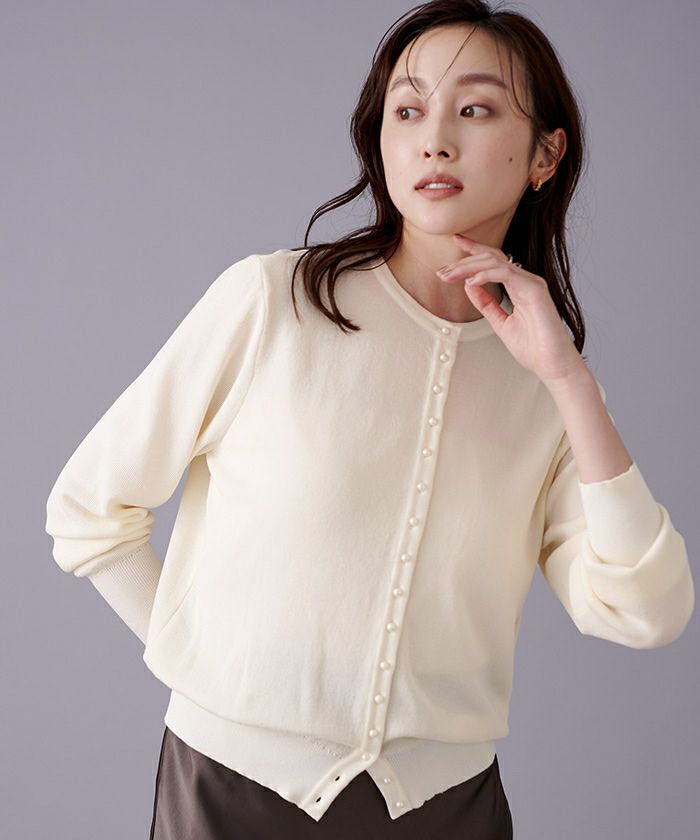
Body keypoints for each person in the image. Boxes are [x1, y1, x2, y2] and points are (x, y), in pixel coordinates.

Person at [44, 1, 695, 838]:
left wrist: (570, 381)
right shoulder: (274, 302)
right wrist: (211, 680)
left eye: (475, 109)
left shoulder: (547, 384)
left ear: (545, 154)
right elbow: (87, 512)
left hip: (447, 807)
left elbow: (645, 611)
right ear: (380, 139)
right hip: (229, 790)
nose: (435, 140)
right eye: (408, 110)